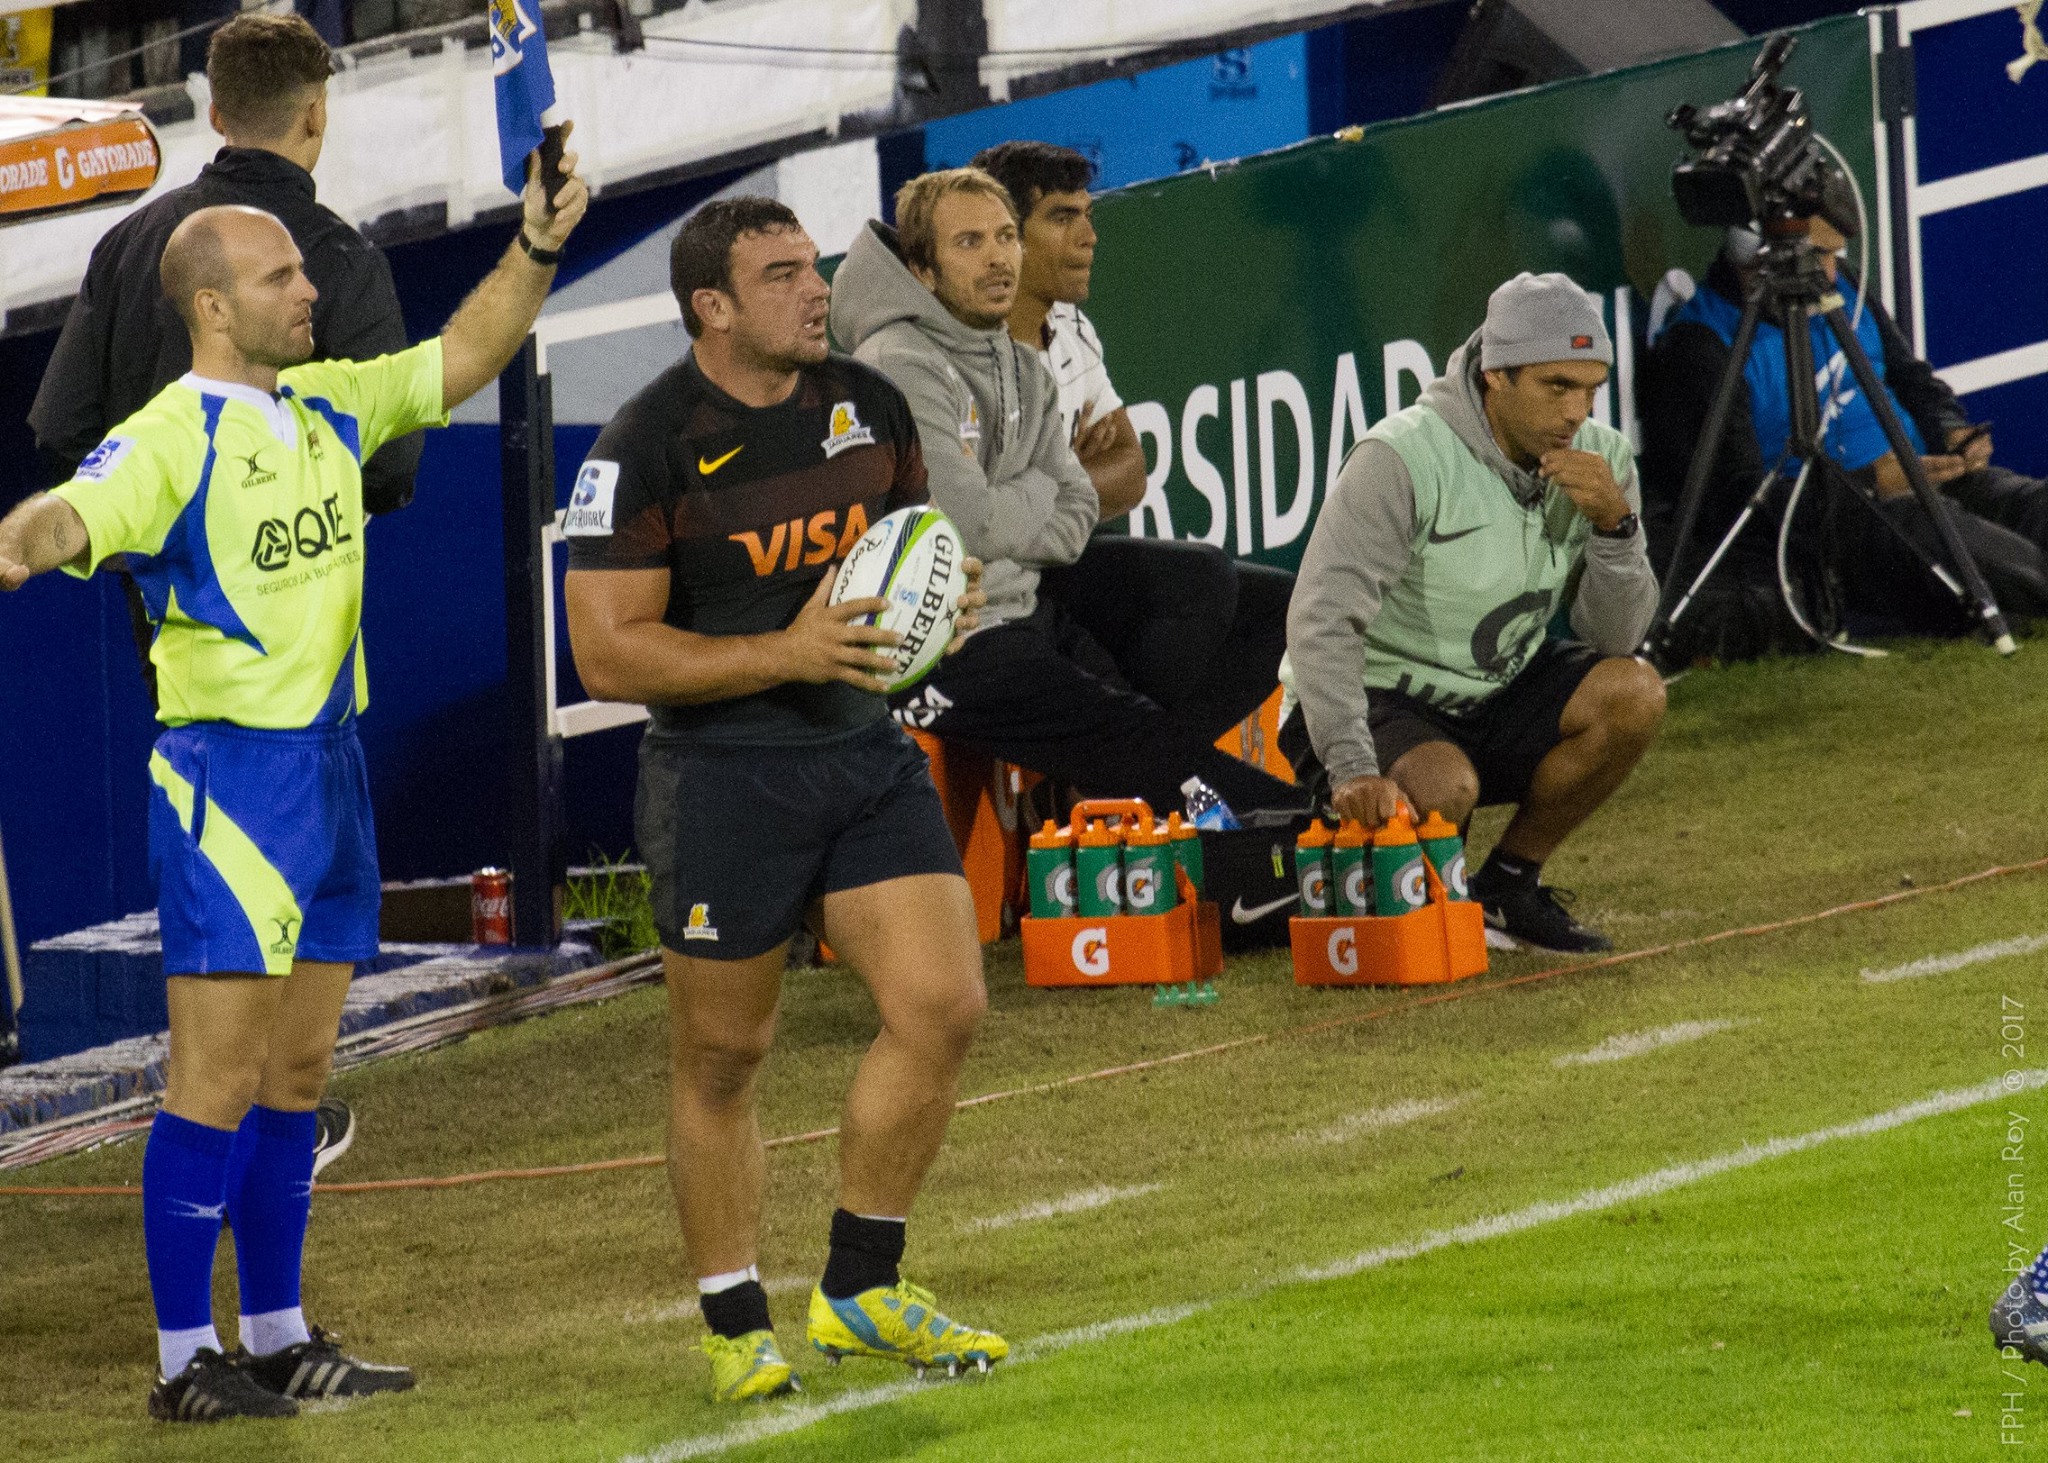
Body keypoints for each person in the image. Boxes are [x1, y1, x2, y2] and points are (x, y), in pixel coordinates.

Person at [0, 141, 589, 1423]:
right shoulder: (168, 436)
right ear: (213, 304)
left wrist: (538, 243)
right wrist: (23, 542)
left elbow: (464, 354)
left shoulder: (327, 403)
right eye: (280, 276)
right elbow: (65, 514)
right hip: (232, 785)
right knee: (211, 1079)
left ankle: (274, 1335)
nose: (309, 287)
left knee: (300, 1071)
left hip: (332, 768)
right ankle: (181, 1361)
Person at [560, 198, 1005, 1404]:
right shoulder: (642, 446)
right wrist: (786, 653)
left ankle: (860, 1286)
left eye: (813, 266)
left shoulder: (869, 406)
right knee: (723, 1055)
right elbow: (605, 653)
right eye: (780, 275)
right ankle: (733, 1324)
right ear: (711, 306)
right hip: (721, 781)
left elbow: (904, 557)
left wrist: (941, 603)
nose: (816, 289)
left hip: (861, 757)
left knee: (943, 1005)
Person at [831, 167, 1300, 817]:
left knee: (1270, 608)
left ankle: (1113, 790)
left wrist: (1013, 496)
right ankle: (1302, 829)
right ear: (923, 271)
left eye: (1004, 236)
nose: (997, 257)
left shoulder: (1014, 358)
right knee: (1126, 728)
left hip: (1026, 594)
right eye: (969, 242)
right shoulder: (897, 361)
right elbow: (970, 524)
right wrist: (1035, 488)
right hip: (946, 638)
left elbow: (1080, 509)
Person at [31, 13, 422, 714]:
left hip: (165, 613)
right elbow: (390, 468)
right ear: (315, 114)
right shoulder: (344, 260)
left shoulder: (125, 243)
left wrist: (152, 537)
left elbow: (64, 433)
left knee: (190, 762)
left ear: (215, 114)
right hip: (295, 614)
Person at [1282, 272, 1666, 954]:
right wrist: (1352, 767)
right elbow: (1321, 619)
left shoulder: (1601, 459)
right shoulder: (1403, 456)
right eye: (1556, 386)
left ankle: (1508, 886)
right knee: (1443, 783)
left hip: (1494, 688)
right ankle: (1422, 892)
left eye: (1590, 389)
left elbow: (1614, 637)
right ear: (1495, 374)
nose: (1576, 411)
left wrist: (1617, 527)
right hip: (1376, 697)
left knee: (1635, 694)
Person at [970, 140, 1298, 803]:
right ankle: (1129, 770)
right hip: (1007, 589)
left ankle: (1117, 772)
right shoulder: (968, 352)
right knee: (1200, 580)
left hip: (1065, 556)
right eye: (1063, 217)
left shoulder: (1071, 326)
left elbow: (1131, 471)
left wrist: (1050, 480)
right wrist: (1071, 474)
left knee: (1289, 610)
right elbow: (989, 516)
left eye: (1088, 215)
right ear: (1008, 238)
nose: (1089, 237)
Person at [1641, 221, 2048, 654]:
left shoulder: (1841, 285)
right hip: (1847, 524)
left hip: (1928, 476)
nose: (1831, 272)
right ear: (1754, 252)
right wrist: (1870, 483)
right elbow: (1733, 500)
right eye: (1819, 255)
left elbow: (1911, 377)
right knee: (1970, 549)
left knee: (2032, 504)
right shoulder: (1702, 344)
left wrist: (1949, 429)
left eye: (1836, 255)